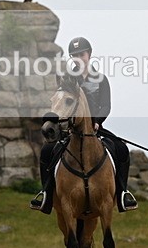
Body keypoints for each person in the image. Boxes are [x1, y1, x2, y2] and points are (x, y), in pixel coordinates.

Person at [30, 36, 138, 214]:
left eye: (82, 54)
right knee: (47, 151)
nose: (79, 58)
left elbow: (106, 105)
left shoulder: (101, 79)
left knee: (121, 149)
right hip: (69, 130)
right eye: (75, 55)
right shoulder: (67, 79)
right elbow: (61, 101)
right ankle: (46, 194)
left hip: (95, 128)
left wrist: (97, 122)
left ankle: (122, 194)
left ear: (89, 54)